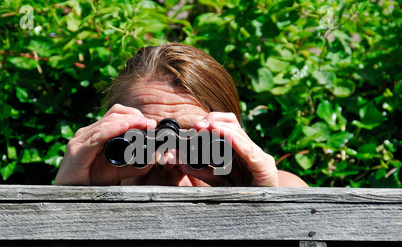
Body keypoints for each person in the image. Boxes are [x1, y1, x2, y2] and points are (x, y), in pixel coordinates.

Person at [54, 43, 308, 187]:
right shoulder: (91, 182)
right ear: (112, 143)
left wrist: (262, 198)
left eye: (197, 142)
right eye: (142, 140)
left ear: (231, 142)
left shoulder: (276, 186)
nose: (168, 159)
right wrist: (70, 198)